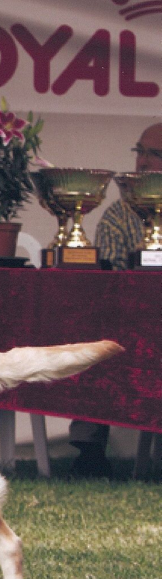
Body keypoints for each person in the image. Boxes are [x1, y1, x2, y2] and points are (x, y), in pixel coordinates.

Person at [67, 122, 162, 478]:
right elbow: (113, 285)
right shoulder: (118, 216)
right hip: (132, 323)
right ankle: (89, 450)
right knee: (94, 332)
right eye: (141, 152)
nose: (144, 162)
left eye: (156, 154)